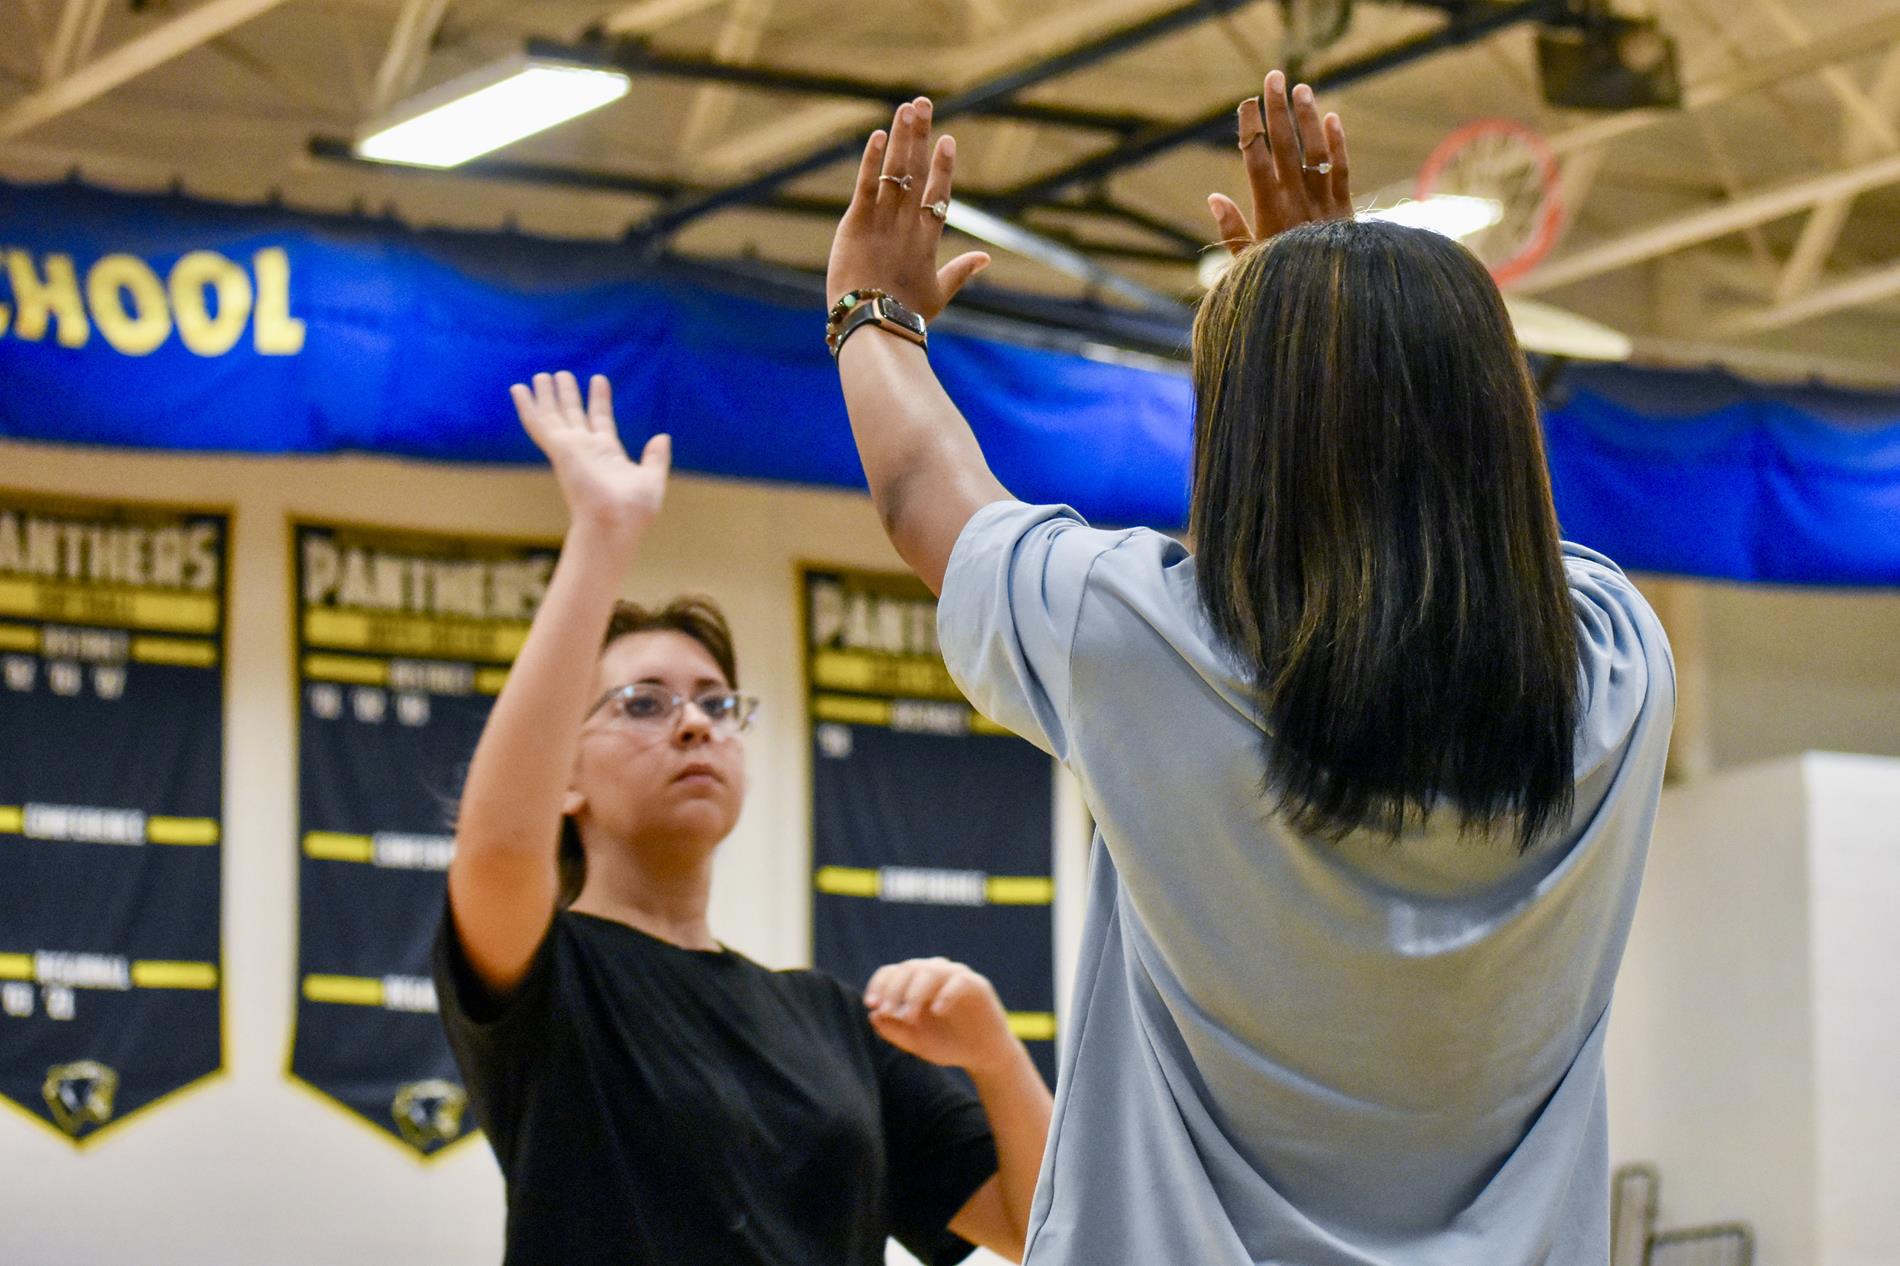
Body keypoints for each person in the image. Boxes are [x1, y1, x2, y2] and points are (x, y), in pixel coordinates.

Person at [823, 73, 1675, 1265]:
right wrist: (1335, 296)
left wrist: (873, 312)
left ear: (1244, 437)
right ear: (1499, 416)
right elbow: (1468, 520)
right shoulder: (1619, 664)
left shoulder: (1136, 638)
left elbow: (927, 499)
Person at [436, 371, 1053, 1266]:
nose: (693, 722)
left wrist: (996, 1057)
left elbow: (1041, 1230)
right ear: (564, 775)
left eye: (717, 705)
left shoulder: (835, 1024)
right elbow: (495, 847)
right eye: (643, 704)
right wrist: (603, 537)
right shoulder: (552, 982)